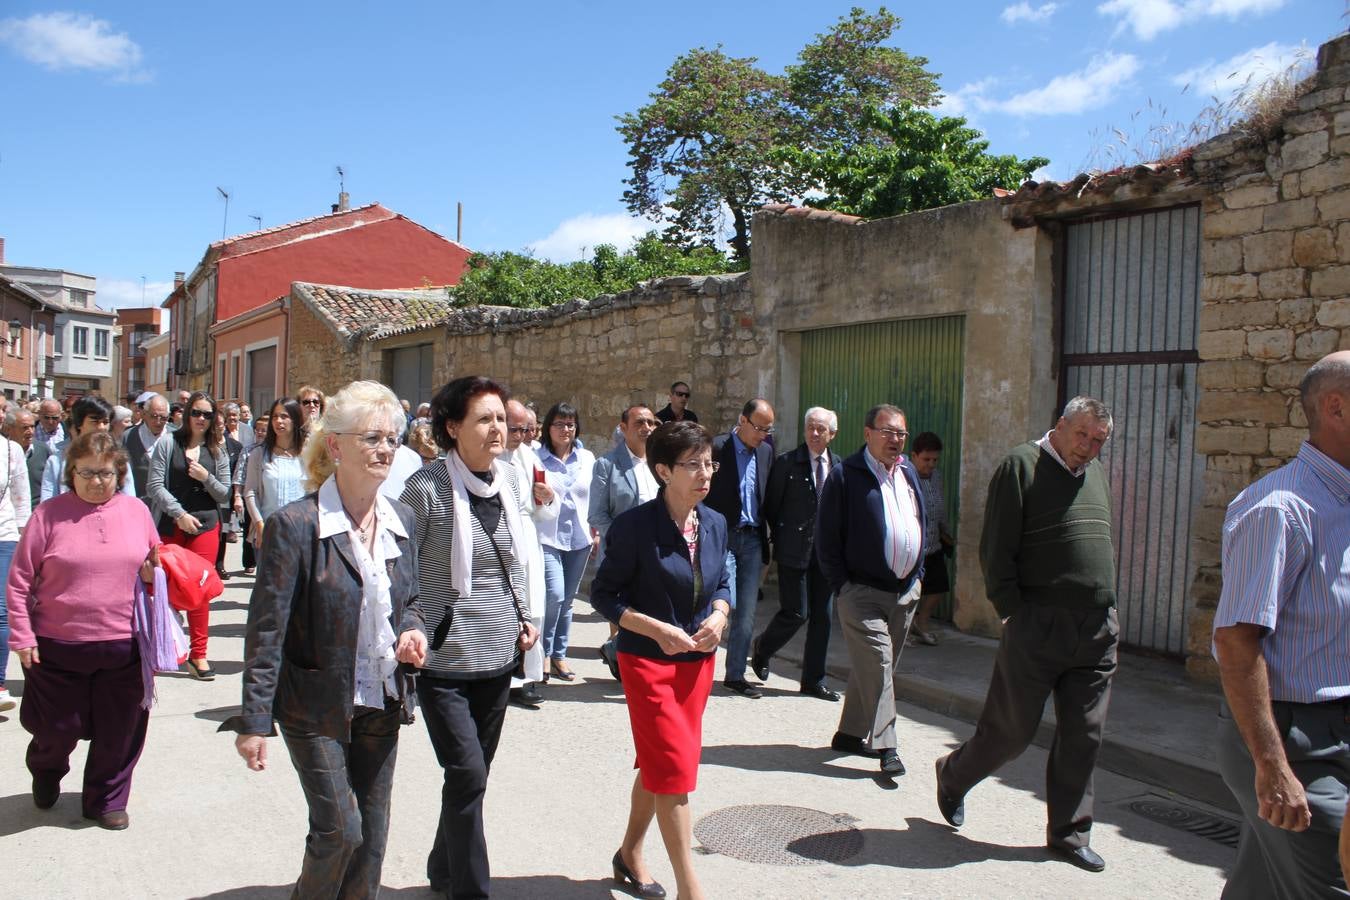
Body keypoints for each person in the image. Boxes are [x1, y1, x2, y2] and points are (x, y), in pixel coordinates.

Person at [223, 380, 429, 900]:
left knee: (372, 840)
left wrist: (413, 629)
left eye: (392, 438)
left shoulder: (401, 519)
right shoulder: (294, 525)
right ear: (335, 445)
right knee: (341, 831)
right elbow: (266, 628)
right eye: (371, 438)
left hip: (382, 698)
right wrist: (254, 719)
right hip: (314, 705)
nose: (385, 449)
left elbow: (413, 599)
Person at [935, 396, 1116, 873]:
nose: (1089, 447)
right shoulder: (1021, 466)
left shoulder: (1095, 473)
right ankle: (953, 775)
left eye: (1099, 440)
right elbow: (996, 548)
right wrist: (1012, 613)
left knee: (1084, 735)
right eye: (1082, 435)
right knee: (1011, 733)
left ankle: (1069, 833)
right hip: (1038, 624)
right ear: (1061, 425)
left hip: (1096, 628)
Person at [1213, 352, 1350, 898]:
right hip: (1293, 740)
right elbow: (1236, 642)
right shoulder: (1280, 509)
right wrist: (1271, 766)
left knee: (1262, 887)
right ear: (1336, 408)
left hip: (1336, 729)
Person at [399, 376, 539, 898]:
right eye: (484, 418)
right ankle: (471, 890)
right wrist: (409, 626)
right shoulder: (426, 488)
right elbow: (403, 568)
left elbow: (516, 557)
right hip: (443, 660)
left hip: (497, 654)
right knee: (467, 773)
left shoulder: (510, 481)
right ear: (453, 427)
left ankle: (443, 865)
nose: (497, 427)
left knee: (472, 776)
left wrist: (525, 615)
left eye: (501, 417)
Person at [591, 420, 732, 900]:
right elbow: (604, 595)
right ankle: (691, 889)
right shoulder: (634, 527)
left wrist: (720, 614)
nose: (705, 473)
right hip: (647, 663)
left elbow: (723, 581)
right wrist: (657, 629)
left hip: (697, 665)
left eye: (709, 463)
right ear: (664, 471)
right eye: (693, 465)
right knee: (673, 769)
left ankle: (629, 853)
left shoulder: (714, 523)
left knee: (659, 763)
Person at [7, 431, 160, 830]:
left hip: (125, 643)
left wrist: (151, 576)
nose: (96, 481)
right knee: (56, 729)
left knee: (120, 730)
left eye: (105, 473)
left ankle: (105, 799)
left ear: (119, 473)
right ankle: (46, 767)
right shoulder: (48, 515)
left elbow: (157, 568)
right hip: (57, 646)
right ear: (71, 472)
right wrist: (21, 634)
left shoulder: (137, 512)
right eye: (87, 472)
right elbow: (20, 581)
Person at [815, 404, 925, 776]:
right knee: (879, 665)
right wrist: (842, 586)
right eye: (887, 432)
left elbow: (920, 521)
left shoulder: (908, 472)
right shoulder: (845, 475)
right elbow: (826, 537)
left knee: (874, 668)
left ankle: (849, 734)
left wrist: (918, 575)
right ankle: (886, 745)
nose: (895, 440)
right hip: (860, 593)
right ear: (867, 433)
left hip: (904, 592)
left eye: (901, 434)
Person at [751, 406, 842, 701]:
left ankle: (813, 681)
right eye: (810, 427)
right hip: (794, 550)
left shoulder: (838, 467)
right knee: (796, 612)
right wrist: (783, 538)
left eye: (820, 429)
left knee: (823, 618)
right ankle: (763, 647)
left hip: (825, 554)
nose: (814, 433)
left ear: (832, 434)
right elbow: (771, 505)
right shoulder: (788, 463)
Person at [146, 391, 233, 681]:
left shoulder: (218, 450)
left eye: (207, 414)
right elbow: (154, 485)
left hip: (205, 526)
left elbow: (224, 493)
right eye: (196, 412)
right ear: (186, 414)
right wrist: (179, 514)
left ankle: (198, 654)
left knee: (200, 591)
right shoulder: (168, 443)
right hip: (171, 524)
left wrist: (205, 478)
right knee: (162, 589)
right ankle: (162, 648)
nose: (201, 419)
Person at [706, 398, 775, 698]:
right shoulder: (717, 448)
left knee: (746, 612)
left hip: (752, 539)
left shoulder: (766, 452)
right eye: (759, 428)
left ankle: (735, 675)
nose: (763, 435)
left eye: (768, 430)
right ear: (742, 421)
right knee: (724, 603)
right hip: (722, 537)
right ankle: (697, 668)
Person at [589, 404, 661, 681]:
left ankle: (620, 653)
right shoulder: (607, 465)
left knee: (652, 611)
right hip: (622, 552)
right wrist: (626, 539)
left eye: (651, 423)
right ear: (623, 428)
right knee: (624, 612)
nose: (647, 428)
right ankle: (626, 664)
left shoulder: (660, 464)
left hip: (658, 550)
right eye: (640, 423)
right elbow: (596, 514)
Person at [535, 401, 596, 683]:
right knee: (555, 595)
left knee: (568, 600)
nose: (565, 429)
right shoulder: (536, 458)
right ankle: (544, 653)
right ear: (548, 427)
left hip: (580, 538)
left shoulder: (587, 458)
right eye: (559, 424)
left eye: (570, 424)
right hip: (547, 535)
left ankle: (559, 654)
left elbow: (594, 495)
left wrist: (596, 530)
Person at [505, 398, 559, 707]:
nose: (521, 436)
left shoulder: (529, 456)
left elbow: (545, 508)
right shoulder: (487, 455)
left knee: (532, 606)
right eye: (515, 429)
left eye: (526, 429)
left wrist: (548, 497)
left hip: (526, 535)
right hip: (498, 537)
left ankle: (525, 677)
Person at [39, 396, 137, 502]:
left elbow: (129, 499)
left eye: (105, 422)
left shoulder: (117, 459)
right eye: (95, 422)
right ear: (79, 424)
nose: (101, 427)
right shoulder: (57, 461)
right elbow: (47, 503)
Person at [244, 398, 308, 554]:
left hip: (301, 532)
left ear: (295, 420)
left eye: (284, 416)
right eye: (275, 416)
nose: (278, 421)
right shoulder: (259, 454)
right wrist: (259, 524)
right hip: (268, 531)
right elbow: (251, 492)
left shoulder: (307, 454)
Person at [909, 432, 955, 646]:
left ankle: (921, 623)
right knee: (908, 593)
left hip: (934, 544)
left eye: (935, 460)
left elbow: (939, 505)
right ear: (914, 456)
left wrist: (946, 532)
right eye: (926, 459)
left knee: (938, 587)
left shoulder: (936, 476)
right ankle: (901, 630)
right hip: (912, 548)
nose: (931, 464)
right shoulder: (904, 476)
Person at [0, 411, 31, 711]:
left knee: (1, 611)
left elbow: (21, 500)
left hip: (4, 536)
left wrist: (25, 544)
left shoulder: (11, 450)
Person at [215, 410, 245, 580]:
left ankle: (220, 564)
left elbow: (238, 472)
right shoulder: (203, 445)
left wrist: (237, 496)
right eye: (214, 424)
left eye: (220, 424)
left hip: (227, 496)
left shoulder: (235, 446)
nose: (217, 427)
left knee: (223, 531)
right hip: (209, 495)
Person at [124, 394, 170, 501]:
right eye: (154, 416)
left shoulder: (176, 437)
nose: (158, 422)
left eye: (163, 418)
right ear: (144, 414)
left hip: (168, 504)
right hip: (137, 502)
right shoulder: (127, 437)